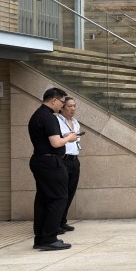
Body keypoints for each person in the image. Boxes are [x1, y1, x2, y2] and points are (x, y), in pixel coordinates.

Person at [28, 87, 79, 250]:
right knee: (59, 198)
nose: (62, 105)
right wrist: (69, 138)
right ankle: (49, 238)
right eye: (62, 102)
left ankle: (41, 238)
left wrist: (62, 138)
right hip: (51, 162)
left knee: (43, 199)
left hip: (40, 160)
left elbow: (51, 139)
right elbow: (55, 143)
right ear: (54, 100)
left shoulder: (37, 115)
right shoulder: (49, 117)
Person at [55, 96, 82, 233]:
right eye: (70, 106)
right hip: (62, 160)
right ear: (62, 107)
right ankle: (55, 223)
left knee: (70, 192)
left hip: (74, 160)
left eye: (74, 106)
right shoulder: (57, 121)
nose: (73, 109)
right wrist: (65, 136)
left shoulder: (76, 122)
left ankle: (62, 221)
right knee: (61, 193)